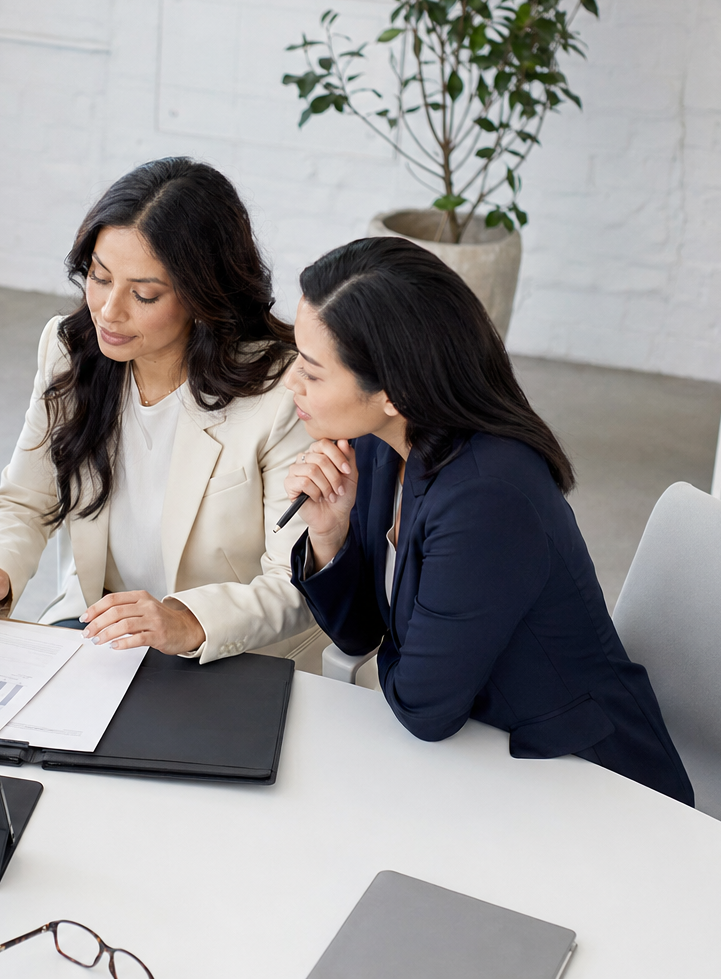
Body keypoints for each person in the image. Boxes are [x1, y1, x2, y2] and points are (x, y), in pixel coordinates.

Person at [283, 237, 693, 803]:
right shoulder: (380, 442)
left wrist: (402, 642)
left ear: (393, 391)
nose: (291, 385)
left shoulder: (487, 498)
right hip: (481, 759)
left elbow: (424, 708)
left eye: (312, 372)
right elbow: (360, 635)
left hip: (579, 780)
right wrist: (330, 532)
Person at [0, 158, 321, 662]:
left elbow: (296, 581)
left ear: (204, 295)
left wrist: (188, 620)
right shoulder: (71, 348)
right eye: (98, 276)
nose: (109, 311)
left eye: (144, 294)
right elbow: (27, 499)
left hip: (233, 652)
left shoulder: (281, 392)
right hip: (106, 633)